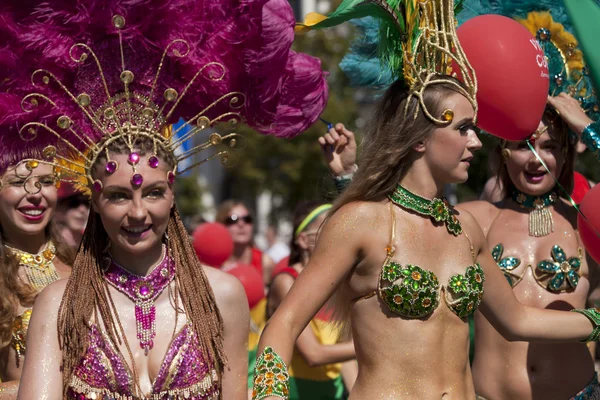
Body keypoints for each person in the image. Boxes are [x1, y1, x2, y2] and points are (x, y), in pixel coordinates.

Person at [253, 1, 600, 399]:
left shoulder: (465, 229)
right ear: (420, 137)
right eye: (466, 128)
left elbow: (518, 320)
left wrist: (597, 322)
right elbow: (283, 323)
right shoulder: (360, 221)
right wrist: (270, 394)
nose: (475, 141)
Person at [10, 0, 328, 398]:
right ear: (94, 200)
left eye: (154, 192)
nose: (139, 212)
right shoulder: (59, 305)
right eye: (120, 196)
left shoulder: (221, 296)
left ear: (173, 191)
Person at [264, 201, 356, 399]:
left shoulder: (339, 286)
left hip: (331, 392)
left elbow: (344, 360)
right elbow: (313, 355)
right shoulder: (285, 282)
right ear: (304, 240)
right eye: (329, 230)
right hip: (290, 393)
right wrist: (376, 346)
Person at [216, 200, 275, 286]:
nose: (241, 224)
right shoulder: (212, 263)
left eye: (247, 219)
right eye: (233, 220)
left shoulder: (265, 262)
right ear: (221, 225)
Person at [53, 183, 90, 250]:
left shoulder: (93, 245)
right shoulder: (46, 245)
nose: (82, 210)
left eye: (87, 203)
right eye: (74, 203)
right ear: (58, 209)